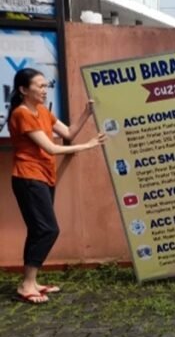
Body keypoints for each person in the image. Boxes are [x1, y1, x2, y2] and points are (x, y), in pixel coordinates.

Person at [9, 68, 106, 304]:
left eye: (45, 86)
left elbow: (69, 132)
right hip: (28, 178)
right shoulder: (22, 114)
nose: (44, 90)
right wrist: (88, 146)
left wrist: (86, 113)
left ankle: (32, 281)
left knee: (38, 229)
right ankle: (26, 285)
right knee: (47, 229)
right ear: (23, 90)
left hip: (43, 177)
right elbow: (51, 148)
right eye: (39, 86)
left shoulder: (43, 111)